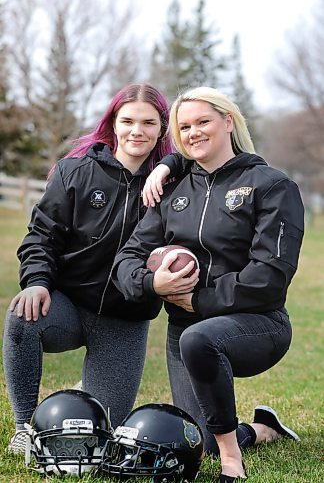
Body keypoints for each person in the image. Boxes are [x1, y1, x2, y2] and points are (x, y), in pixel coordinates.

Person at [112, 87, 304, 482]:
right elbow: (127, 259)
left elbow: (271, 275)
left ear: (228, 121)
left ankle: (233, 463)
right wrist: (153, 284)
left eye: (204, 122)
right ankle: (263, 429)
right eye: (184, 126)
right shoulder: (171, 191)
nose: (194, 132)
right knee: (201, 441)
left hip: (257, 324)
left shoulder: (270, 185)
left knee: (200, 341)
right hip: (185, 330)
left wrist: (197, 300)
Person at [3, 83, 174, 454]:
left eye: (148, 122)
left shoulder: (174, 187)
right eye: (127, 120)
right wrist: (36, 282)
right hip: (67, 306)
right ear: (113, 122)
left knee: (100, 438)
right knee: (22, 315)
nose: (137, 131)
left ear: (162, 128)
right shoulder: (74, 171)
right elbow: (41, 236)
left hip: (124, 319)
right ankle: (23, 425)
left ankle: (87, 389)